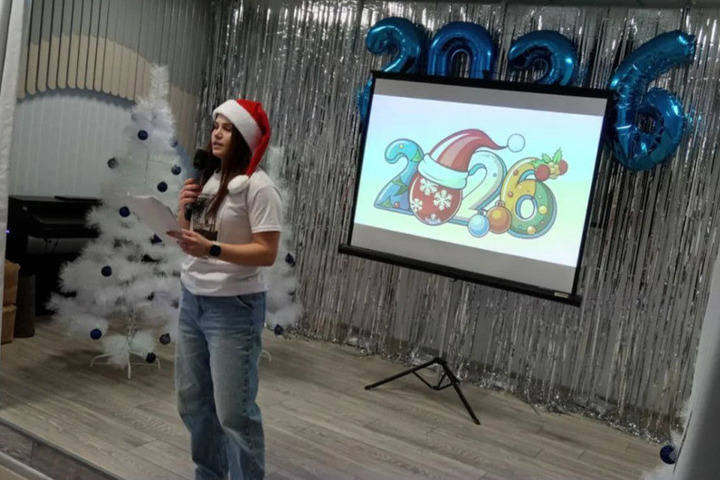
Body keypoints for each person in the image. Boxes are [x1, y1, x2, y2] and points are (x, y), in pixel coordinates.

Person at [168, 98, 282, 480]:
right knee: (193, 402)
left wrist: (213, 249)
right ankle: (209, 475)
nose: (216, 133)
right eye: (215, 125)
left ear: (244, 138)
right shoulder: (209, 180)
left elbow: (266, 252)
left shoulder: (259, 188)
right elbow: (191, 238)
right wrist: (183, 208)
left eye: (227, 128)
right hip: (193, 300)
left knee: (234, 413)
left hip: (234, 307)